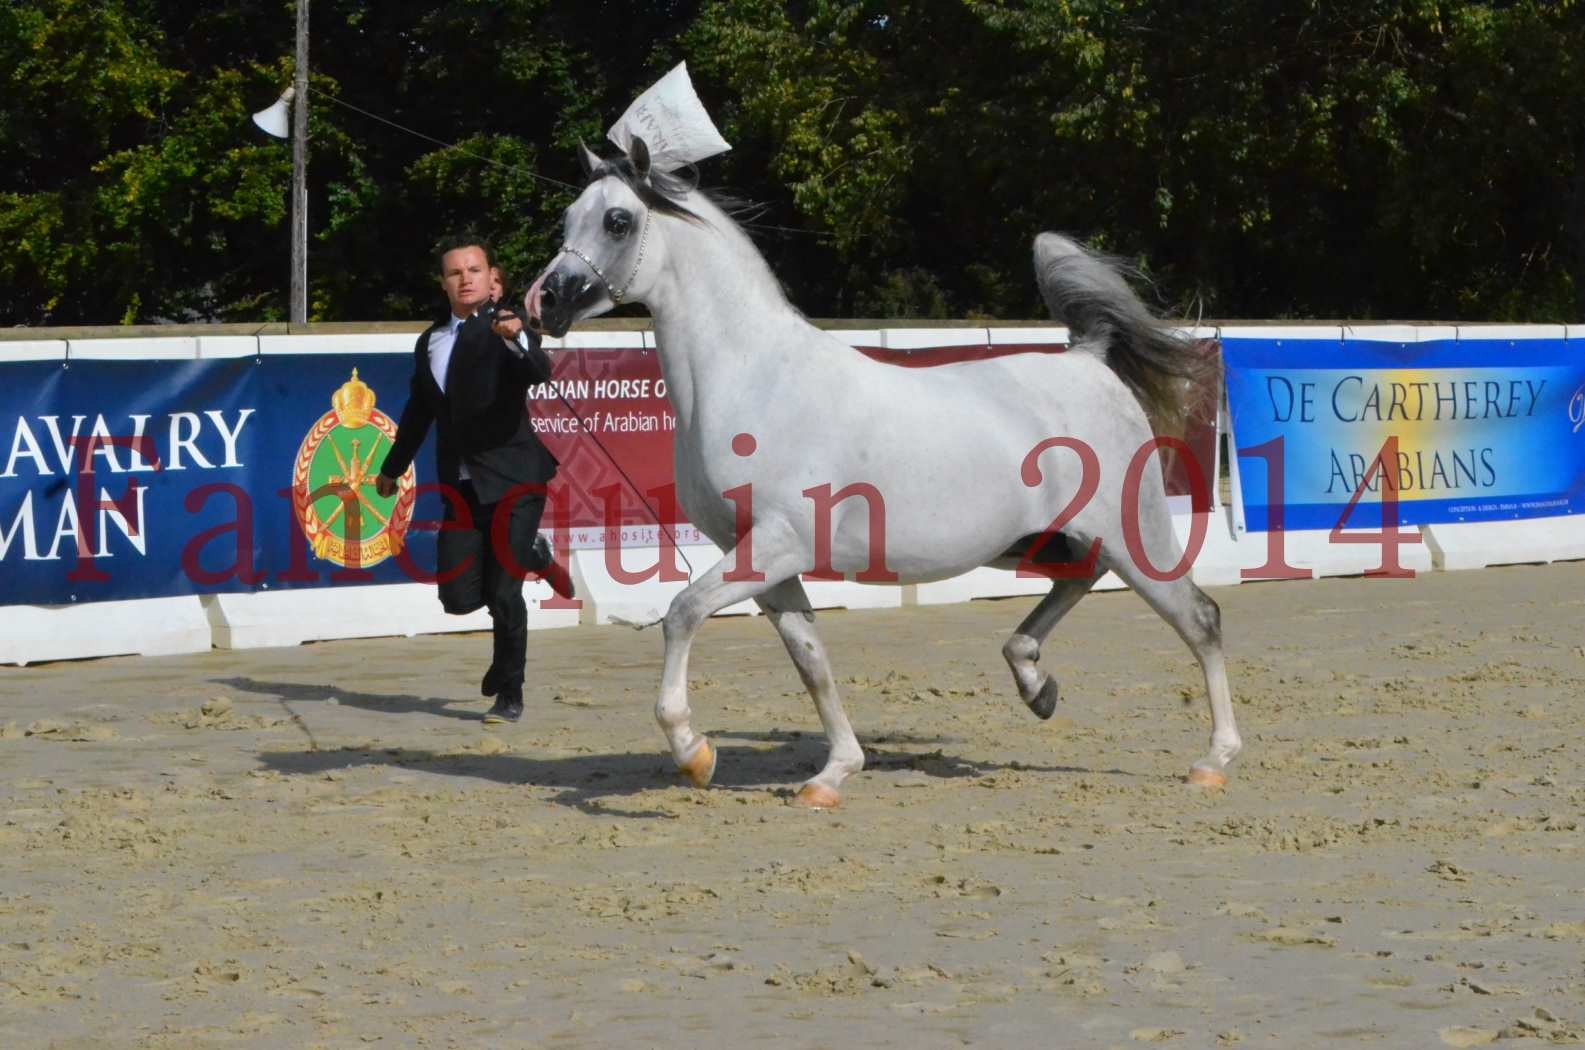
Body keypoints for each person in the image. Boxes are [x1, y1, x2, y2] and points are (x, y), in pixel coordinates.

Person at [375, 235, 575, 724]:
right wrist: (392, 467)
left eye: (474, 270)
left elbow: (537, 371)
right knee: (459, 597)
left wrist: (516, 337)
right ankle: (534, 554)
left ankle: (510, 689)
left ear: (492, 279)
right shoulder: (429, 342)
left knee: (505, 594)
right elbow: (421, 410)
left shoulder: (508, 326)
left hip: (515, 479)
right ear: (443, 283)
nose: (465, 279)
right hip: (461, 486)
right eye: (455, 272)